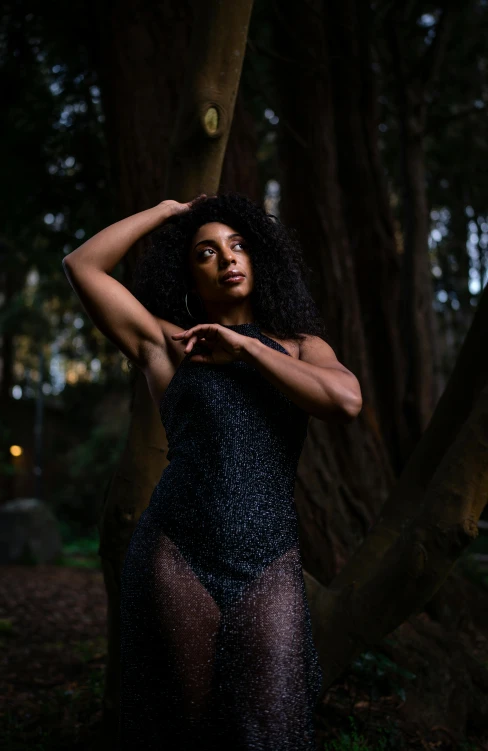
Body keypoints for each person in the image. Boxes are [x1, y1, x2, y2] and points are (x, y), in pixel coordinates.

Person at [62, 192, 362, 750]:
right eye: (206, 252)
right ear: (188, 276)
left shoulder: (302, 347)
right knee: (185, 729)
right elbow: (81, 265)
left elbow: (345, 402)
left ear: (258, 259)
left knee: (272, 730)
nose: (227, 258)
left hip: (269, 554)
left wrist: (246, 349)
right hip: (178, 552)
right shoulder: (171, 346)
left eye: (238, 245)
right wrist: (168, 214)